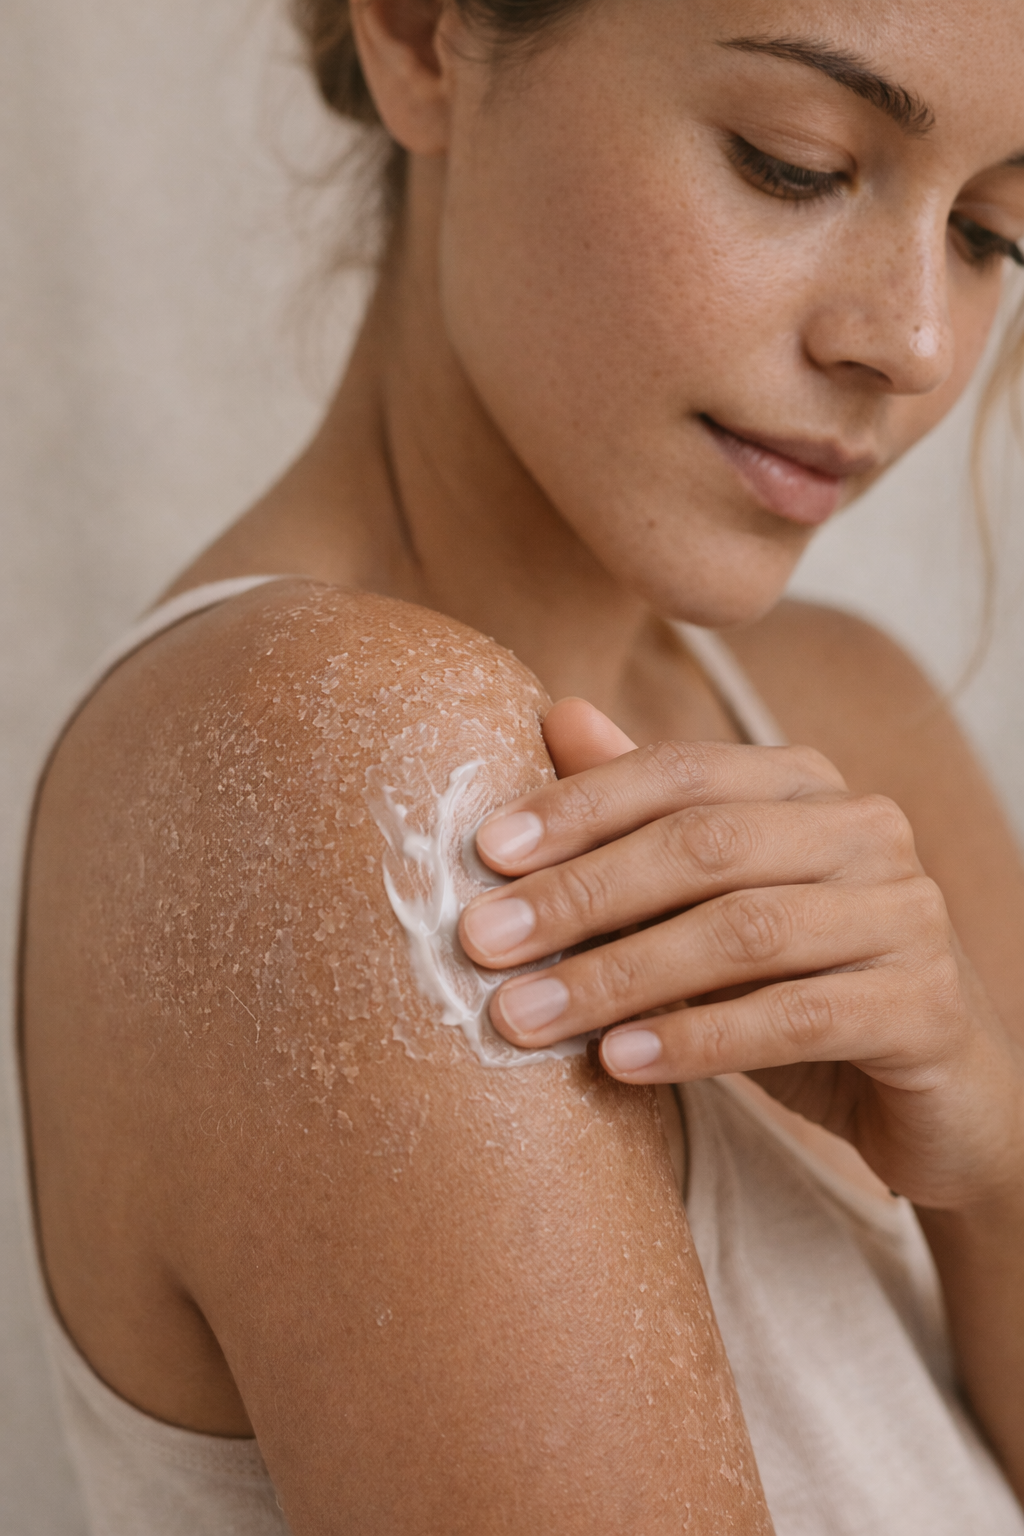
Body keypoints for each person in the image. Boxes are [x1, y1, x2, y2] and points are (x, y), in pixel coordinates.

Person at [17, 1, 1024, 1532]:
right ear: (426, 36)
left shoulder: (849, 722)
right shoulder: (323, 770)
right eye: (792, 161)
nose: (911, 342)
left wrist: (998, 1170)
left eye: (995, 234)